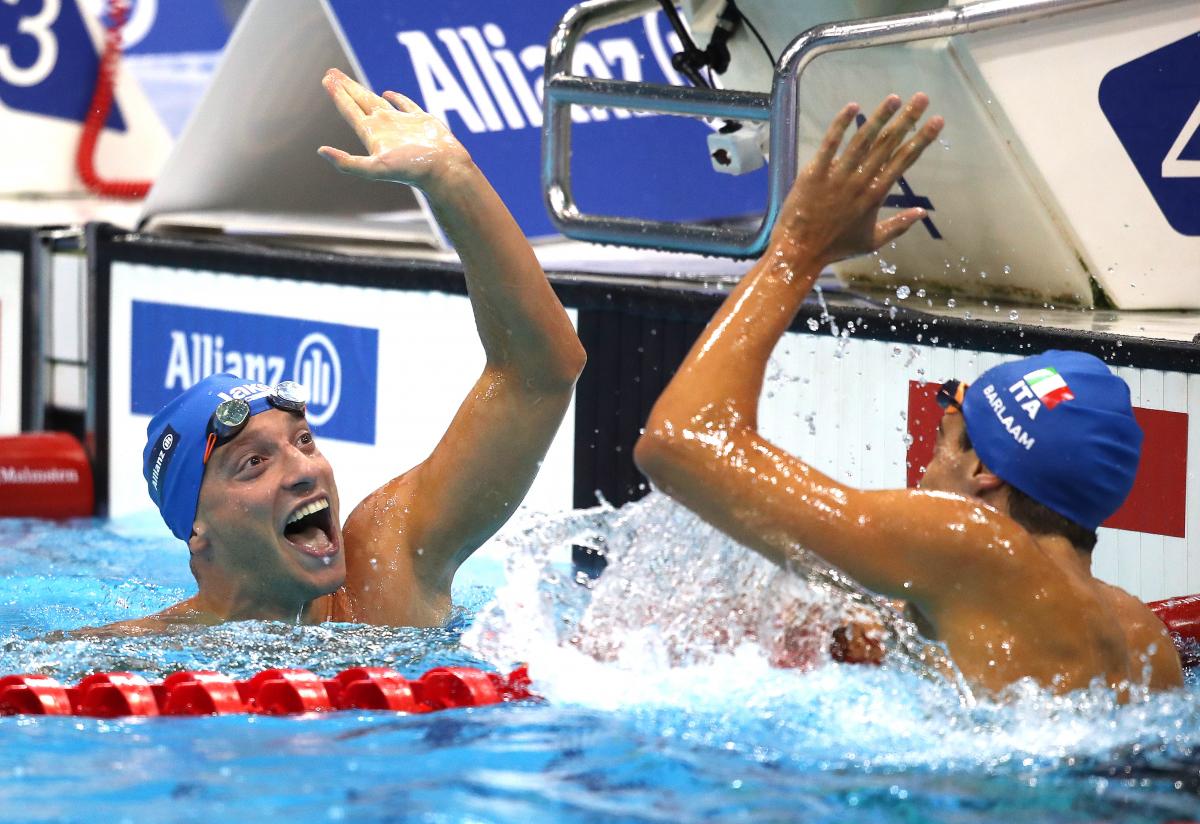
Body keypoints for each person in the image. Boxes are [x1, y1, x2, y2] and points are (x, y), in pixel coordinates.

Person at [633, 92, 1183, 695]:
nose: (923, 465)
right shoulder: (1145, 638)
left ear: (982, 469)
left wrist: (798, 250)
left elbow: (679, 444)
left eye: (942, 438)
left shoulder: (975, 546)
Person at [96, 68, 586, 633]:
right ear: (196, 529)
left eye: (303, 442)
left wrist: (454, 180)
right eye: (253, 463)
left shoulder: (386, 570)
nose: (304, 471)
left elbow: (542, 373)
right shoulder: (130, 660)